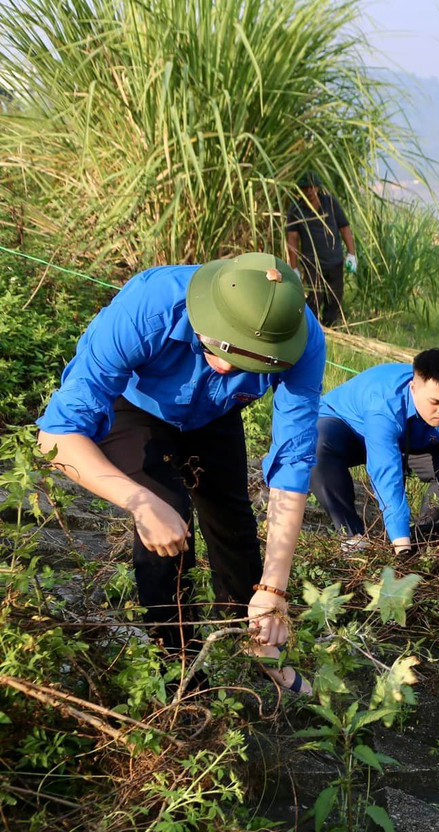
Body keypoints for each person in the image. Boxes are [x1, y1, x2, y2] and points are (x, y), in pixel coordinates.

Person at [36, 252, 326, 695]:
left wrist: (275, 589)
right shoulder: (149, 305)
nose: (227, 366)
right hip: (138, 405)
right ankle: (181, 674)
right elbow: (56, 435)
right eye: (220, 346)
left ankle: (254, 645)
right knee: (166, 523)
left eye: (249, 361)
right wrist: (140, 501)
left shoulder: (298, 337)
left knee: (233, 522)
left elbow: (293, 461)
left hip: (216, 413)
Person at [310, 348, 439, 554]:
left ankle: (425, 539)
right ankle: (353, 537)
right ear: (413, 388)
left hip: (412, 441)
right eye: (435, 402)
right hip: (351, 431)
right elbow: (386, 473)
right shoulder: (384, 402)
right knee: (315, 445)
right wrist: (401, 547)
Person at [286, 170, 355, 328]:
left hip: (335, 260)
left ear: (317, 187)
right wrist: (294, 268)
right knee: (314, 299)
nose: (309, 191)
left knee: (334, 298)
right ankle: (312, 329)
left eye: (312, 187)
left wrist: (352, 254)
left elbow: (344, 228)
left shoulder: (330, 203)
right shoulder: (296, 210)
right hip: (312, 264)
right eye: (305, 188)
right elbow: (292, 239)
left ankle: (332, 328)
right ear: (300, 190)